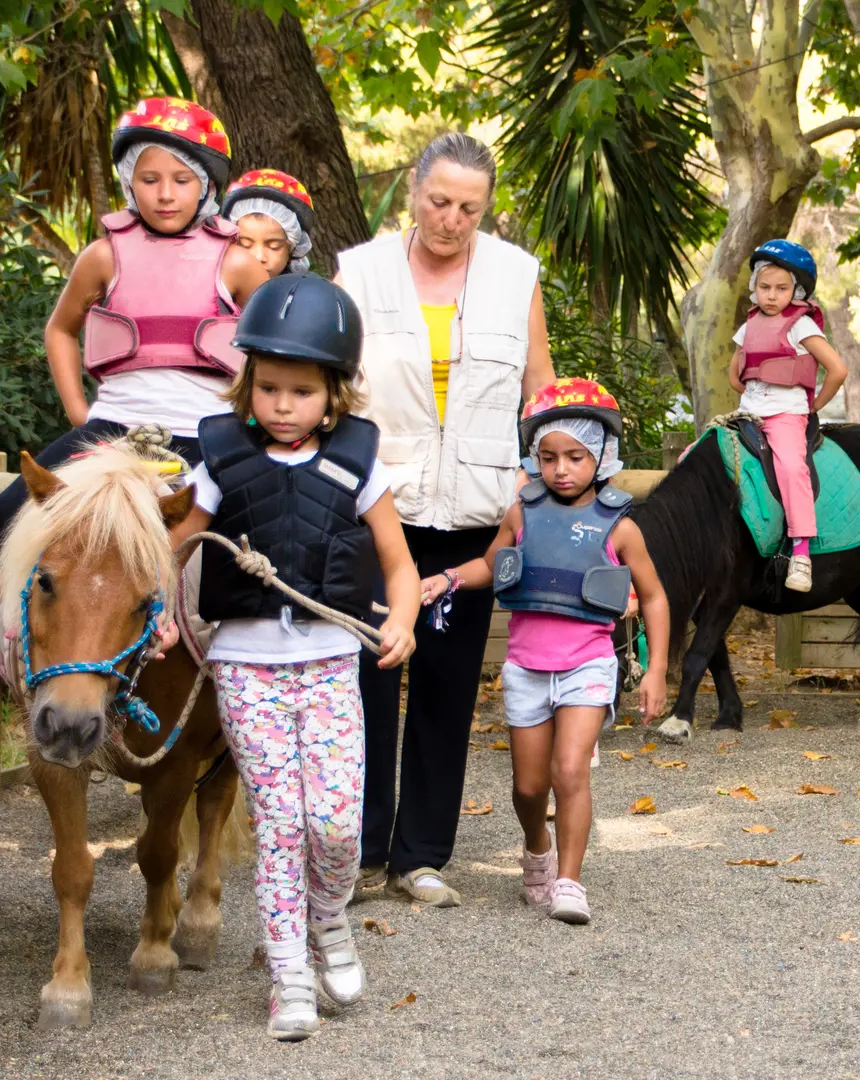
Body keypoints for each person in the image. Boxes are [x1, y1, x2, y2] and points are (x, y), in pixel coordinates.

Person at [0, 96, 271, 734]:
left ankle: (254, 682)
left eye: (181, 180)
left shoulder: (238, 261)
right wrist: (80, 414)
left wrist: (250, 425)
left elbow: (273, 352)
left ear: (207, 186)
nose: (165, 194)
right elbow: (61, 331)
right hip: (114, 427)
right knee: (4, 514)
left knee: (263, 523)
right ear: (128, 181)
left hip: (205, 434)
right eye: (149, 179)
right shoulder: (104, 256)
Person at [166, 273, 421, 1041]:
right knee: (281, 822)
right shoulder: (219, 459)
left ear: (334, 393)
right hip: (246, 665)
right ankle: (288, 975)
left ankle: (329, 921)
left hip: (331, 660)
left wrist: (403, 617)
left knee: (336, 826)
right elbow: (175, 551)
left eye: (302, 391)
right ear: (248, 384)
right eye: (270, 388)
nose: (283, 406)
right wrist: (163, 615)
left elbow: (398, 562)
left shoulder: (357, 462)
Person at [334, 132, 557, 908]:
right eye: (439, 201)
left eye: (469, 207)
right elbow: (335, 387)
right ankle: (359, 851)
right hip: (377, 509)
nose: (451, 219)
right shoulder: (358, 271)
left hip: (473, 513)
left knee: (447, 683)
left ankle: (420, 854)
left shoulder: (515, 275)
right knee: (365, 678)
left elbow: (541, 388)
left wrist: (533, 489)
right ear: (414, 192)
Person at [420, 379, 668, 924]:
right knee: (529, 787)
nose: (561, 469)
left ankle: (570, 883)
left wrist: (655, 670)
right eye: (549, 457)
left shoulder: (620, 526)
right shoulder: (521, 514)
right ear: (534, 457)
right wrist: (446, 579)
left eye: (575, 457)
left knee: (570, 770)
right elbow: (490, 564)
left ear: (602, 455)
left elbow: (653, 595)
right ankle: (537, 847)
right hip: (527, 670)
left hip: (588, 665)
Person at [726, 239, 848, 593]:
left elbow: (837, 369)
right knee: (700, 452)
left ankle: (801, 552)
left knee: (793, 469)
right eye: (764, 287)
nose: (771, 295)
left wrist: (813, 405)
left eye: (781, 288)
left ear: (796, 291)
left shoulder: (801, 326)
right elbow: (735, 374)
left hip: (785, 416)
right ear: (754, 289)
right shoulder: (747, 326)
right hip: (748, 413)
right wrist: (754, 390)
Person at [225, 168, 315, 275]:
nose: (259, 257)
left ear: (293, 249)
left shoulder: (305, 291)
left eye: (274, 246)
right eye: (245, 244)